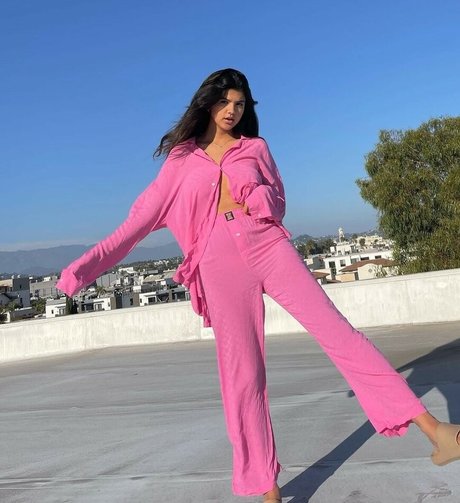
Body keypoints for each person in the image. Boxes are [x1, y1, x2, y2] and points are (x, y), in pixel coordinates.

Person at [56, 68, 460, 502]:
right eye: (224, 101)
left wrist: (258, 196)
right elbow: (137, 223)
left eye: (240, 104)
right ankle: (268, 492)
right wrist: (81, 271)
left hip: (268, 245)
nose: (232, 110)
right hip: (217, 263)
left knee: (342, 335)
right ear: (207, 102)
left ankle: (436, 430)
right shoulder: (180, 160)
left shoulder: (255, 147)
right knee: (243, 377)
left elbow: (278, 200)